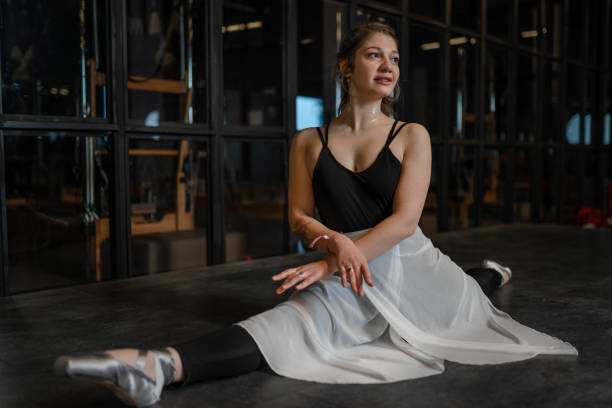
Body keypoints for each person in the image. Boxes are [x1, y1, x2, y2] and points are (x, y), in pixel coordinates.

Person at [54, 22, 577, 407]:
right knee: (296, 322)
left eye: (393, 57)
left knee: (463, 297)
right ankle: (161, 365)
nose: (388, 65)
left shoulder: (410, 135)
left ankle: (491, 272)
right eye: (374, 55)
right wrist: (334, 244)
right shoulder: (309, 141)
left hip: (404, 256)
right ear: (347, 67)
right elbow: (299, 214)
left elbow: (403, 221)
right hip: (352, 263)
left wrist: (331, 262)